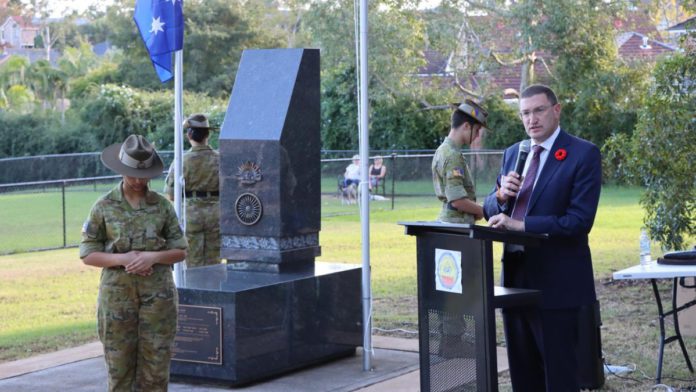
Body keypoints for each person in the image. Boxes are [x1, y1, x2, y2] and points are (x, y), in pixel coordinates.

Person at [484, 84, 602, 391]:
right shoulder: (514, 153)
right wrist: (499, 194)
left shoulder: (583, 154)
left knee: (559, 377)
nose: (531, 119)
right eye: (525, 113)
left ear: (556, 110)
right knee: (523, 375)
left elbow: (578, 222)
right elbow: (489, 208)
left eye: (538, 110)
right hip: (515, 279)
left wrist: (520, 226)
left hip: (558, 283)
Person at [80, 134, 188, 392]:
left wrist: (153, 257)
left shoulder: (161, 206)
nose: (139, 181)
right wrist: (123, 259)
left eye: (144, 176)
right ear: (121, 170)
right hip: (117, 298)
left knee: (156, 371)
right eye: (133, 175)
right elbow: (87, 253)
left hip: (158, 299)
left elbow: (181, 250)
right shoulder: (104, 206)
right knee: (120, 371)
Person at [165, 113, 220, 268]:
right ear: (208, 134)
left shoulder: (181, 161)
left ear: (189, 134)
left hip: (190, 215)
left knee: (192, 265)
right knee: (214, 263)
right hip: (216, 214)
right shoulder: (220, 159)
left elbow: (171, 194)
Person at [431, 99, 487, 224]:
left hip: (450, 220)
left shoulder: (442, 150)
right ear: (467, 126)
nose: (477, 136)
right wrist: (483, 211)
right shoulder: (453, 155)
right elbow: (457, 201)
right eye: (477, 130)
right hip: (457, 224)